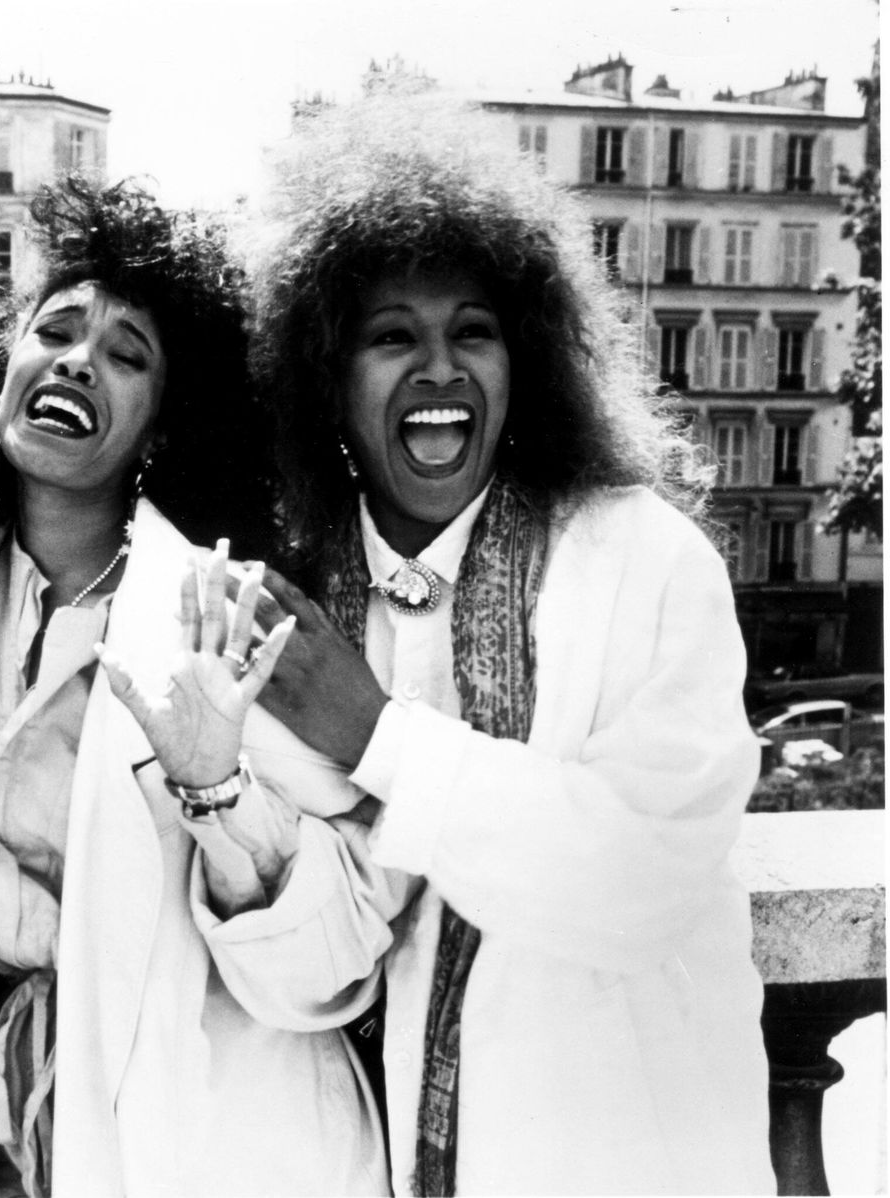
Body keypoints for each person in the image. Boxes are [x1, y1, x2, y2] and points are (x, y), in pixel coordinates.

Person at [212, 103, 774, 1194]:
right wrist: (217, 804)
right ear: (326, 377)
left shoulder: (645, 559)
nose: (438, 367)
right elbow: (303, 983)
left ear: (527, 361)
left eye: (471, 330)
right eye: (391, 337)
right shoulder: (295, 616)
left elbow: (645, 876)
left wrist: (377, 739)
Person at [0, 177, 407, 1197]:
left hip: (219, 1148)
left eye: (126, 354)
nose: (78, 357)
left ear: (161, 428)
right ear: (3, 371)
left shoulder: (225, 616)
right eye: (56, 330)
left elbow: (343, 953)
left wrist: (219, 796)